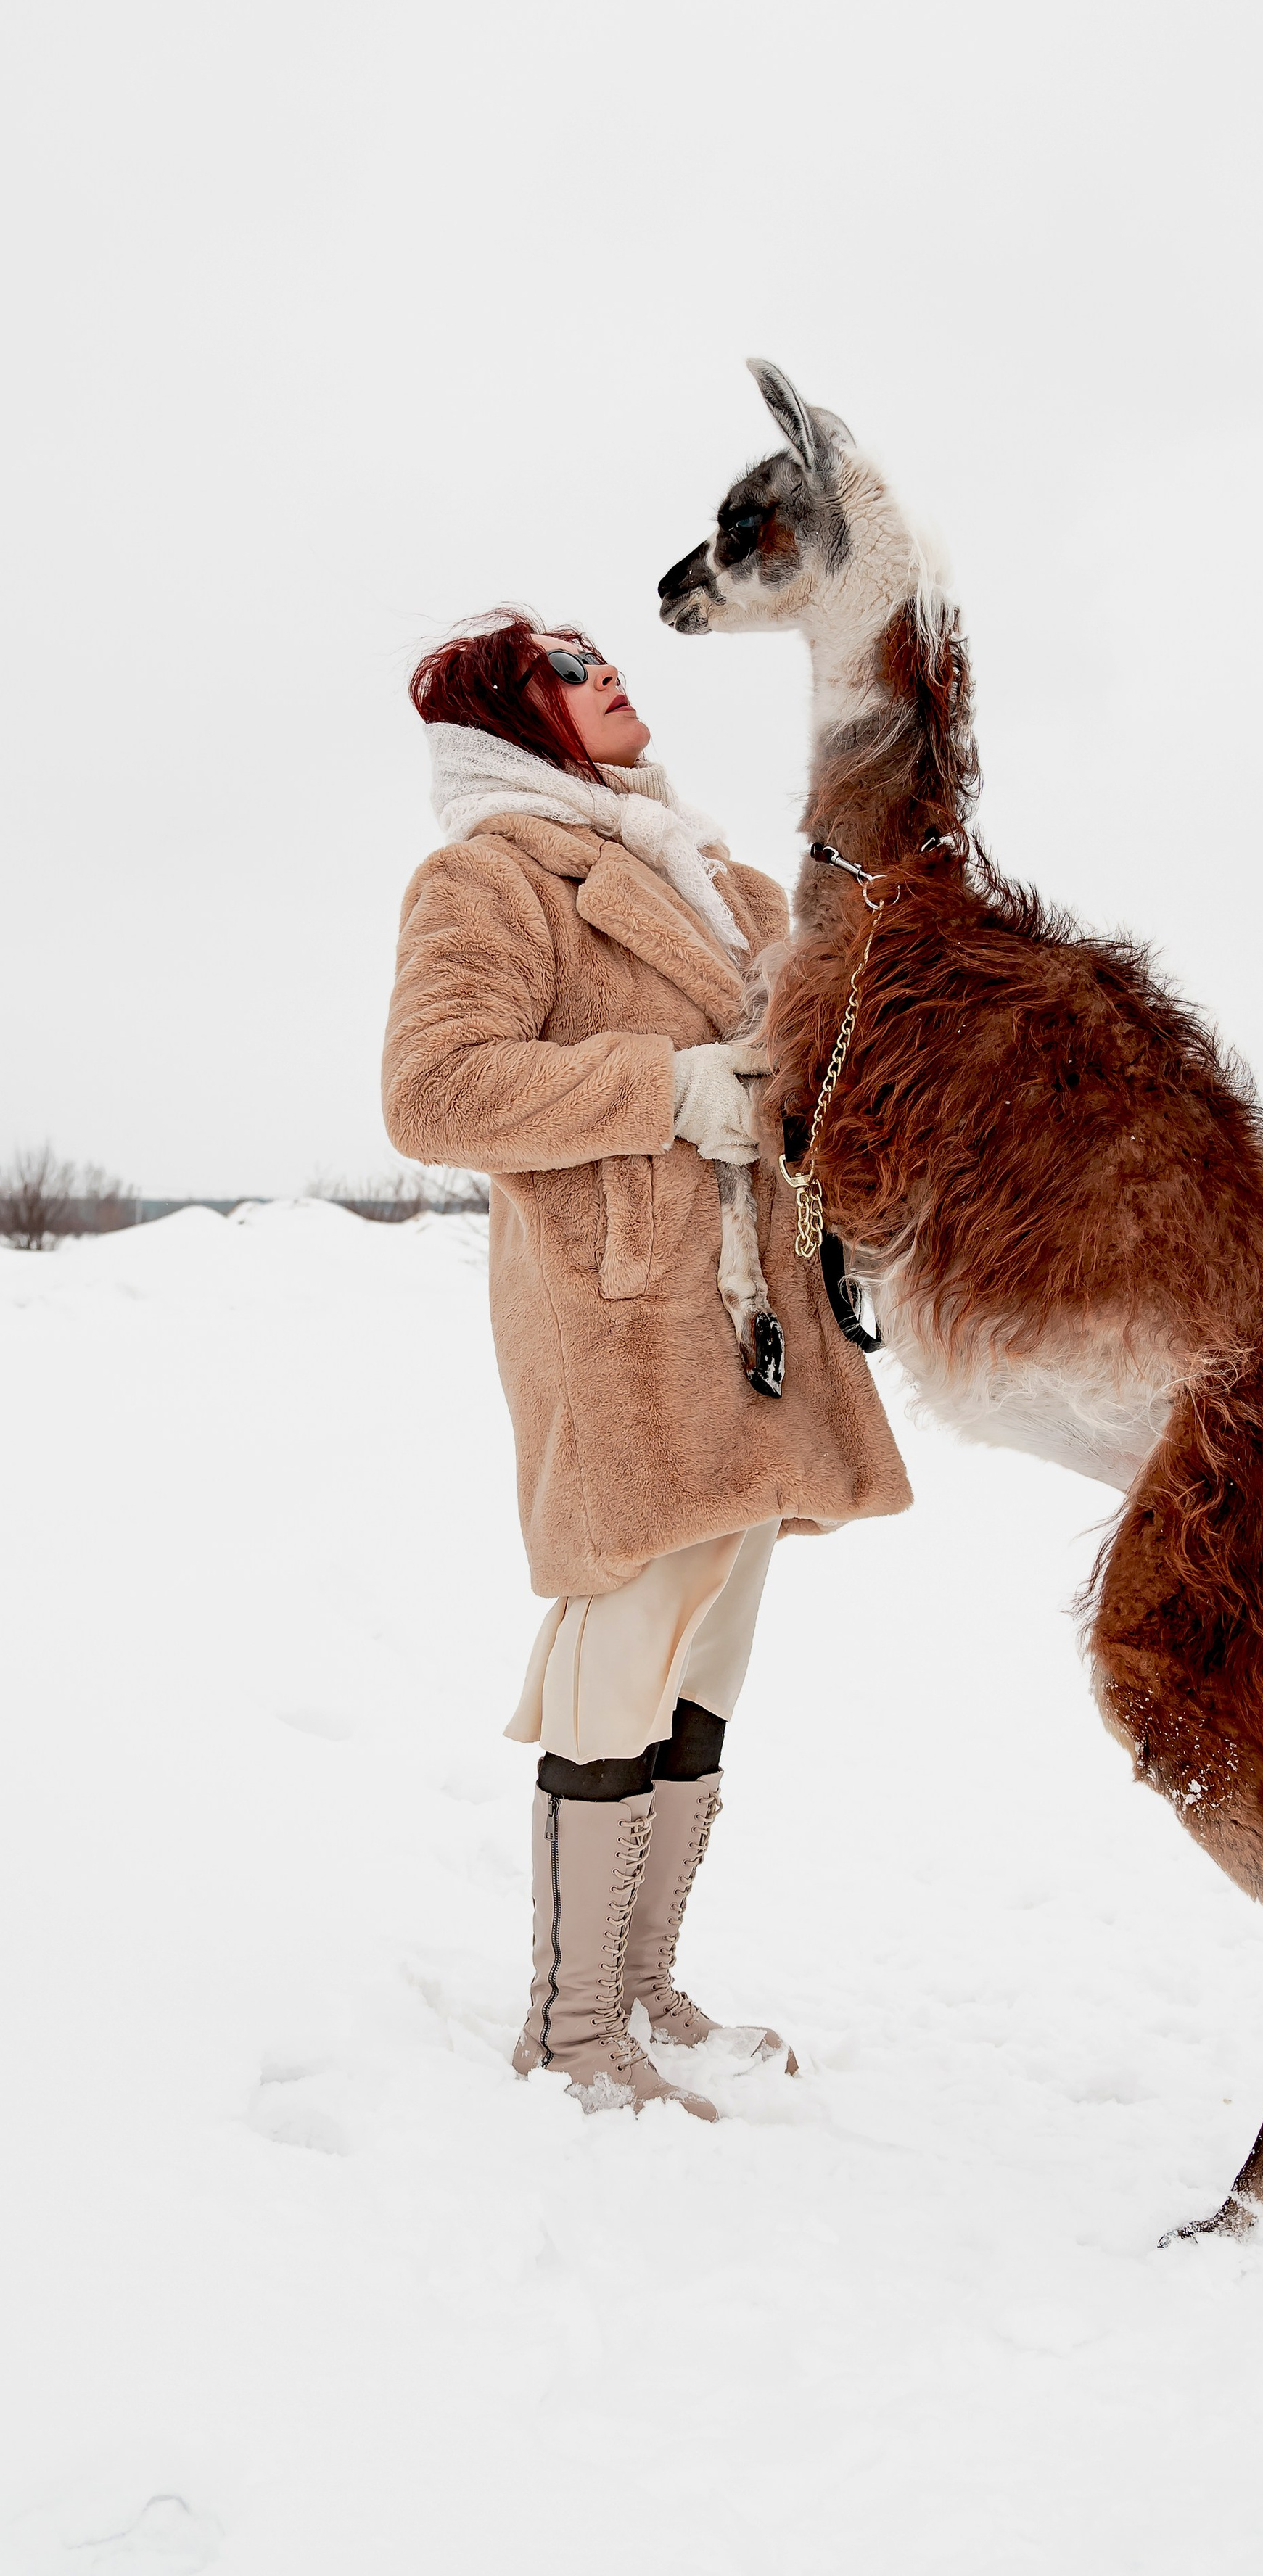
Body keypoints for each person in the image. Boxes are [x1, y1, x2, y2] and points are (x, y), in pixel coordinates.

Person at [382, 608, 910, 2120]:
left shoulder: (725, 879)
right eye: (561, 666)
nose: (603, 669)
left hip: (754, 1317)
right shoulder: (490, 875)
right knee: (622, 1642)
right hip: (615, 1317)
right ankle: (571, 2026)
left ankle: (640, 1983)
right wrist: (670, 1089)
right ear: (508, 719)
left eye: (599, 651)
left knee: (709, 1651)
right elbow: (432, 1092)